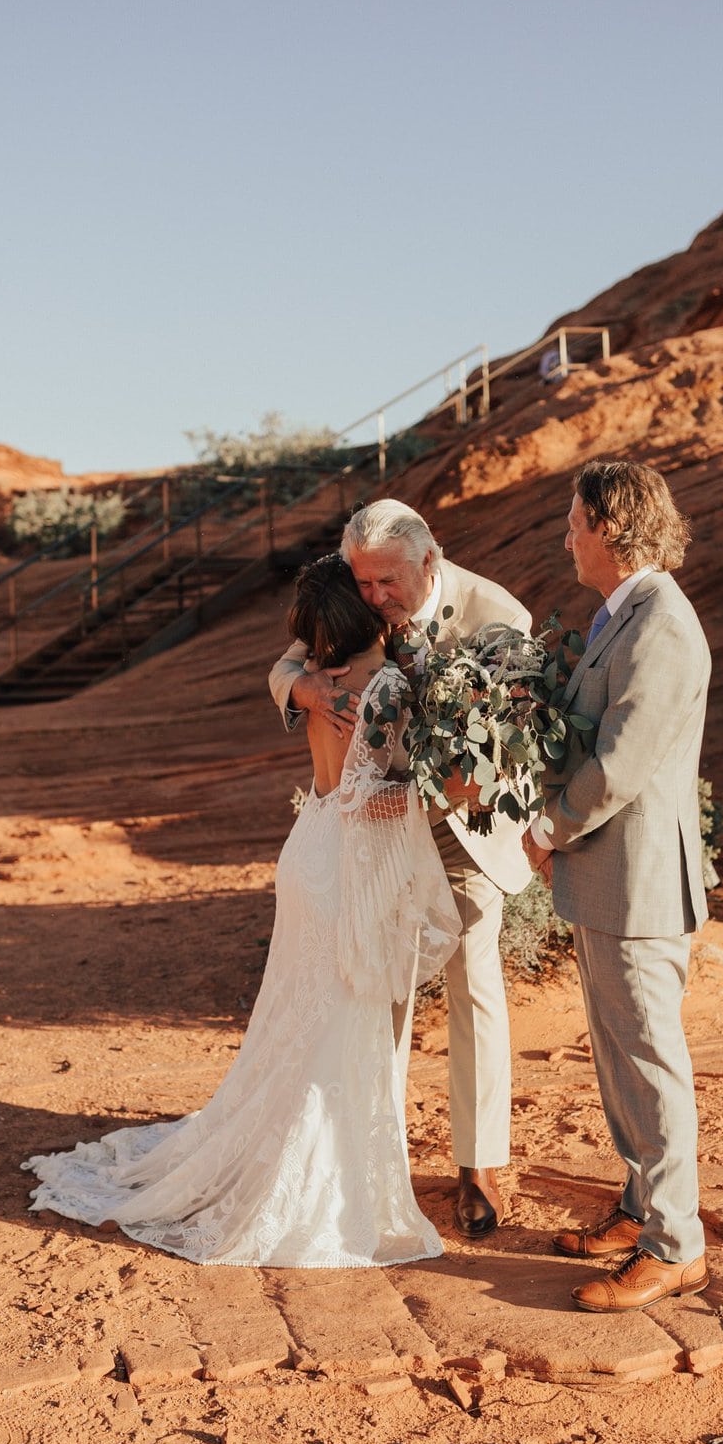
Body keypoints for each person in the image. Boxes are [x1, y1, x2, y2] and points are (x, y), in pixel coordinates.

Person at [24, 556, 461, 1267]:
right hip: (344, 863)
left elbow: (337, 780)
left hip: (310, 850)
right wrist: (444, 788)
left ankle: (298, 1161)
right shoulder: (383, 687)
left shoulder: (322, 681)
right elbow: (370, 795)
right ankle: (320, 1188)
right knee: (337, 1025)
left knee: (301, 1018)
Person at [268, 499, 532, 1240]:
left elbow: (509, 739)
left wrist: (417, 793)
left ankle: (478, 1166)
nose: (373, 598)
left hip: (464, 826)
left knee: (473, 976)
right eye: (363, 582)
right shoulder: (360, 590)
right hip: (376, 834)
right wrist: (304, 687)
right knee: (376, 978)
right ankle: (368, 1147)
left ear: (428, 560)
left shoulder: (498, 613)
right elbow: (292, 656)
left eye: (385, 582)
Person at [524, 459, 710, 1313]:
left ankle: (677, 1247)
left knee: (649, 1059)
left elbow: (624, 762)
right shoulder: (620, 615)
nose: (566, 534)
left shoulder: (661, 625)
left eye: (575, 520)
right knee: (617, 1055)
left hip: (638, 882)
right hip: (608, 878)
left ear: (614, 527)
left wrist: (548, 826)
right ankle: (640, 1208)